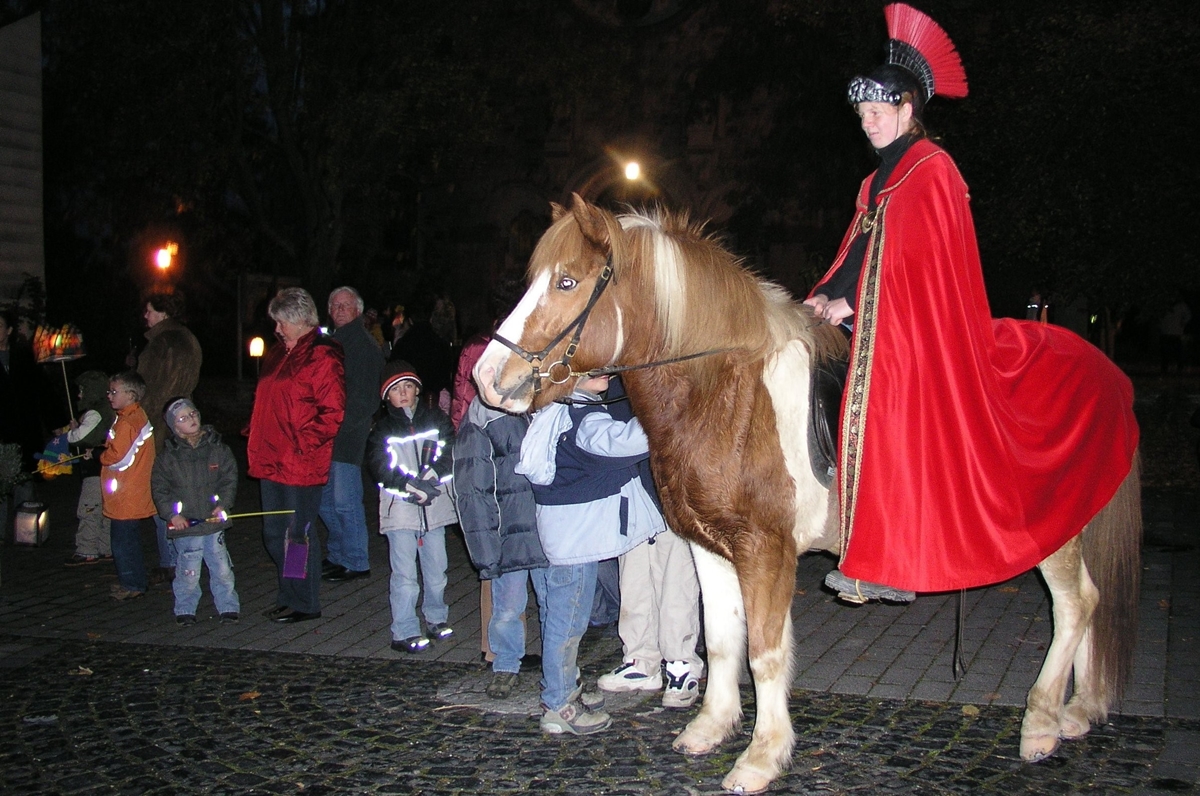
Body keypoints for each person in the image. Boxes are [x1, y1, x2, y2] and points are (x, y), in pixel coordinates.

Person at [804, 4, 1139, 603]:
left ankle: (890, 556)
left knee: (888, 398)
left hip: (918, 333)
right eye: (863, 115)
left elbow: (921, 270)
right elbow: (858, 255)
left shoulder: (932, 170)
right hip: (882, 321)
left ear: (909, 110)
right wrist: (827, 296)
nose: (869, 125)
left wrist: (852, 308)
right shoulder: (874, 183)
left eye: (879, 113)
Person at [516, 374, 662, 735]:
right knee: (567, 624)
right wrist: (666, 418)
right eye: (594, 369)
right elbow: (615, 443)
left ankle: (564, 686)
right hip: (575, 541)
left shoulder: (560, 408)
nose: (606, 373)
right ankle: (559, 704)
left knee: (557, 617)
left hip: (564, 534)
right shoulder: (579, 412)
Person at [592, 379, 703, 708]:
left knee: (676, 584)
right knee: (635, 582)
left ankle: (681, 663)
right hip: (632, 494)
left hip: (671, 492)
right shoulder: (615, 381)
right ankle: (640, 660)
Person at [247, 287, 345, 624]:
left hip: (300, 462)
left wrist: (301, 443)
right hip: (270, 458)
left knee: (297, 534)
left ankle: (305, 601)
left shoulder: (322, 355)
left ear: (301, 320)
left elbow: (332, 412)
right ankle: (289, 594)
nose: (276, 329)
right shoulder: (277, 353)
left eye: (281, 322)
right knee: (274, 533)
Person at [454, 394, 549, 698]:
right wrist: (485, 545)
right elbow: (473, 484)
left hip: (551, 526)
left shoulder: (554, 399)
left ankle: (559, 668)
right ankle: (506, 664)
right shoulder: (486, 411)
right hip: (509, 530)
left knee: (556, 605)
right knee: (507, 606)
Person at [366, 361, 458, 653]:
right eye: (395, 389)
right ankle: (404, 629)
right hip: (401, 510)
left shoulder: (436, 419)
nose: (403, 393)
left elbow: (449, 451)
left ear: (417, 389)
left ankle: (436, 617)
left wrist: (430, 478)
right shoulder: (382, 429)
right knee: (405, 574)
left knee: (437, 569)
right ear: (387, 397)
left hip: (434, 509)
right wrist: (408, 485)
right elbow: (380, 466)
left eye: (407, 387)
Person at [152, 397, 240, 625]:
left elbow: (229, 478)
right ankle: (185, 609)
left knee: (221, 567)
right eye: (182, 418)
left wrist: (223, 504)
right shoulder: (167, 457)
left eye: (193, 413)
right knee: (188, 570)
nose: (191, 419)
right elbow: (160, 489)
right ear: (174, 426)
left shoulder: (217, 449)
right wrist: (172, 514)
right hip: (186, 524)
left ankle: (228, 606)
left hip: (212, 522)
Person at [136, 290, 203, 586]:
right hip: (183, 420)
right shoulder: (186, 337)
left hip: (161, 426)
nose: (145, 316)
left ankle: (171, 561)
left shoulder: (163, 343)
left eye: (149, 311)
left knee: (161, 494)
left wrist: (139, 423)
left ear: (162, 313)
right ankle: (180, 559)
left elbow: (148, 390)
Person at [319, 287, 385, 583]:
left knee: (344, 499)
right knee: (324, 501)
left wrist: (342, 424)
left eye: (345, 305)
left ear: (357, 310)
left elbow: (366, 397)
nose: (340, 310)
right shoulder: (332, 343)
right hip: (326, 434)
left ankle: (356, 559)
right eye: (335, 305)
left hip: (346, 435)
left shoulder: (362, 346)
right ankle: (338, 554)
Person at [99, 371, 157, 601]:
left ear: (131, 395)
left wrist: (100, 455)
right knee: (128, 539)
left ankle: (132, 583)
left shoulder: (128, 422)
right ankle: (133, 580)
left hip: (127, 492)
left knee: (123, 542)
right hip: (130, 489)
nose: (109, 396)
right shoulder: (132, 416)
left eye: (115, 392)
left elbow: (119, 457)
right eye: (109, 391)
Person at [61, 370, 115, 566]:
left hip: (94, 469)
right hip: (106, 469)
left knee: (89, 508)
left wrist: (70, 433)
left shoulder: (95, 412)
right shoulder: (108, 411)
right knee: (105, 510)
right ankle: (106, 547)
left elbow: (82, 437)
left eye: (83, 391)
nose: (79, 395)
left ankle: (87, 549)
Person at [1159, 294, 1192, 374]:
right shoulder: (1164, 304)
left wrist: (1183, 323)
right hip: (1166, 332)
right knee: (1165, 352)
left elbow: (1188, 316)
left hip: (1176, 333)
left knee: (1177, 352)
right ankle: (1165, 368)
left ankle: (1179, 368)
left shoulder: (1181, 305)